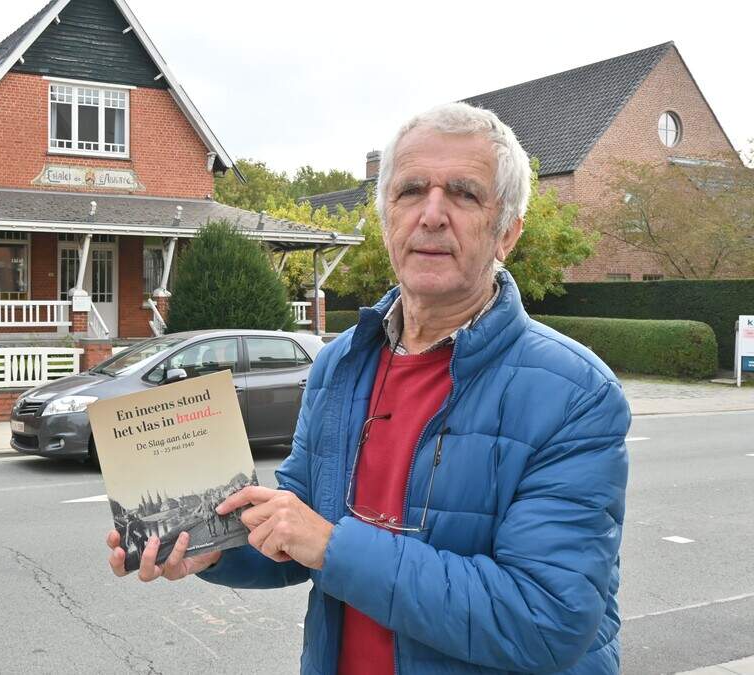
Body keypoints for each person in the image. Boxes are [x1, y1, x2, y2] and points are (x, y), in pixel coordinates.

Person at [105, 102, 630, 674]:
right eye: (410, 192)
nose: (432, 214)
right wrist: (213, 548)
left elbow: (545, 620)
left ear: (507, 233)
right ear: (385, 220)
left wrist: (332, 545)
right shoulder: (340, 366)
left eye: (464, 193)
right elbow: (295, 542)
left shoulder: (576, 394)